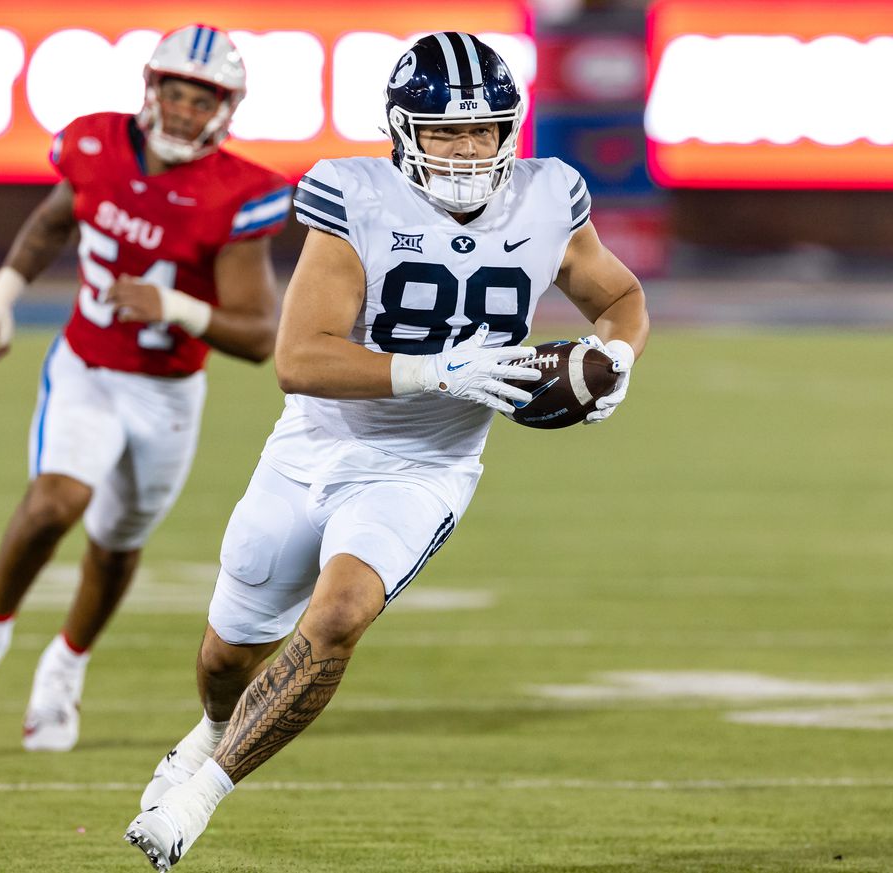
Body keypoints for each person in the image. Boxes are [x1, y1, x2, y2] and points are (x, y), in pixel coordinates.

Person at [123, 31, 649, 869]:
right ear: (404, 131)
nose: (468, 148)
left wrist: (617, 356)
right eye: (445, 131)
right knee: (227, 654)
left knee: (336, 619)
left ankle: (199, 794)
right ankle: (213, 728)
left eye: (484, 130)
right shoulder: (354, 195)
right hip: (313, 447)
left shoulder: (549, 195)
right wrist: (440, 370)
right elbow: (299, 359)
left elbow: (617, 293)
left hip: (422, 469)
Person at [0, 24, 291, 753]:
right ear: (151, 90)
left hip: (167, 391)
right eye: (176, 93)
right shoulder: (93, 144)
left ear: (227, 107)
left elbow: (256, 335)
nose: (185, 111)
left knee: (117, 544)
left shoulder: (240, 193)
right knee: (59, 497)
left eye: (202, 98)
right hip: (86, 363)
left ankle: (64, 666)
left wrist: (177, 308)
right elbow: (52, 223)